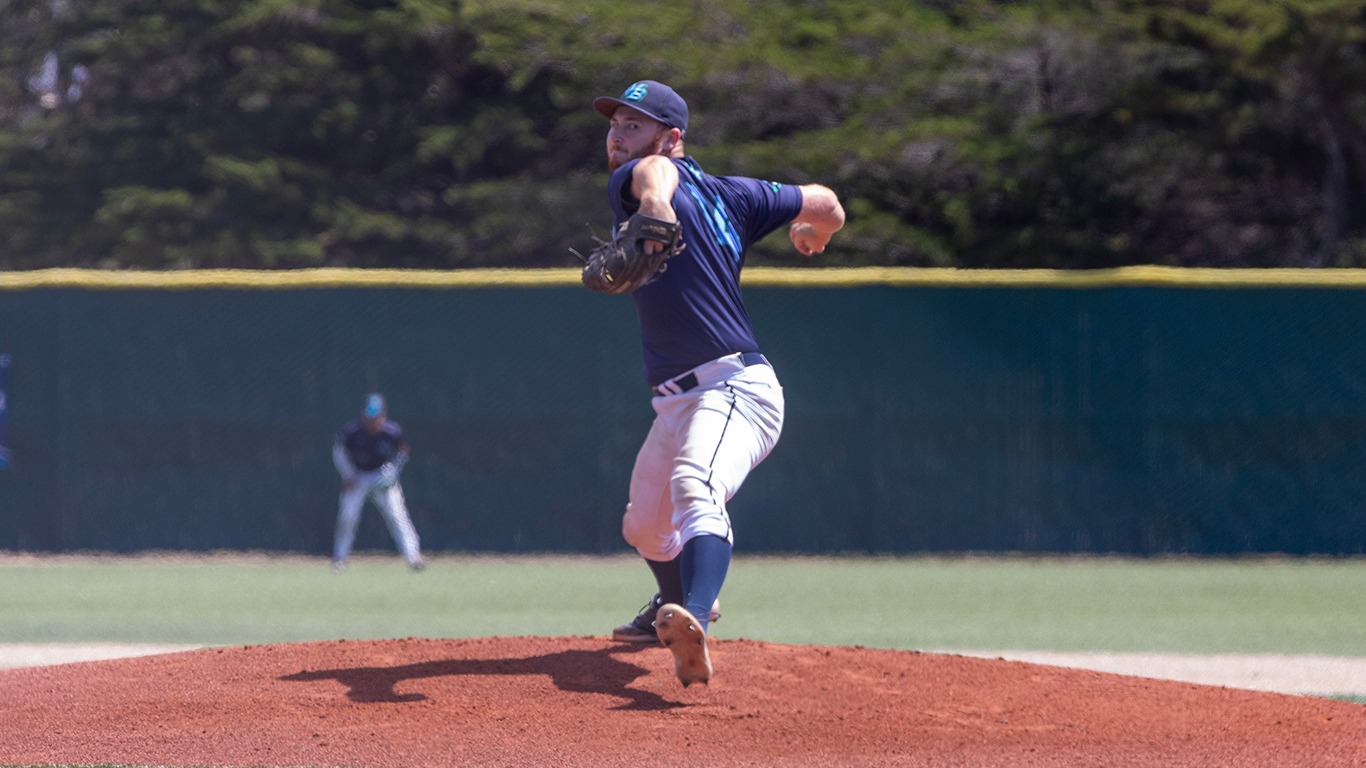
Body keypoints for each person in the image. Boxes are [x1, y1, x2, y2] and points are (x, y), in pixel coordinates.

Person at [591, 80, 845, 686]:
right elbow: (827, 202)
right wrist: (817, 233)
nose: (617, 136)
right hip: (679, 400)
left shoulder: (648, 175)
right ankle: (671, 603)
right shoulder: (738, 195)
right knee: (645, 526)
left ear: (672, 136)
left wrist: (652, 211)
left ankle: (695, 618)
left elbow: (655, 177)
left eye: (634, 125)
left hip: (736, 387)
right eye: (615, 124)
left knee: (695, 485)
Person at [331, 393, 425, 572]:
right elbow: (339, 453)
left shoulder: (392, 432)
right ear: (363, 415)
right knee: (347, 517)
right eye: (369, 416)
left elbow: (402, 452)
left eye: (376, 417)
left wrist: (393, 471)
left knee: (397, 515)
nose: (372, 421)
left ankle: (413, 557)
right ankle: (339, 559)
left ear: (383, 415)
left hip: (381, 477)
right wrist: (348, 475)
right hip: (358, 476)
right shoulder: (352, 432)